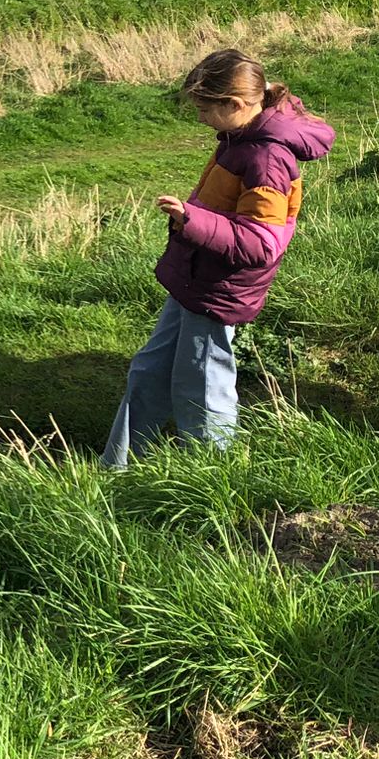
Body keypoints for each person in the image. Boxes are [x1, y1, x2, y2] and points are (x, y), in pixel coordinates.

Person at [102, 49, 334, 469]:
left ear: (235, 104)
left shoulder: (266, 159)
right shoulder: (239, 138)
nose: (200, 117)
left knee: (203, 389)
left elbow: (262, 243)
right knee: (149, 371)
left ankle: (214, 480)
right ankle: (118, 469)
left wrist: (191, 221)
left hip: (219, 289)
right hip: (195, 278)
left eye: (205, 109)